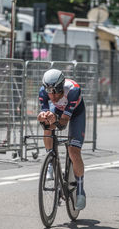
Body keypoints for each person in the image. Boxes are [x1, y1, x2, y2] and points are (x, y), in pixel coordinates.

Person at [37, 69, 86, 210]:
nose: (52, 96)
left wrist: (57, 119)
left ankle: (81, 191)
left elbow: (64, 122)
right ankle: (51, 162)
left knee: (74, 151)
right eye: (49, 92)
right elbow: (44, 110)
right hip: (58, 110)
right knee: (47, 123)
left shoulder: (73, 90)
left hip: (76, 113)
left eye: (55, 92)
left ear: (60, 88)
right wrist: (42, 117)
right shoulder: (43, 91)